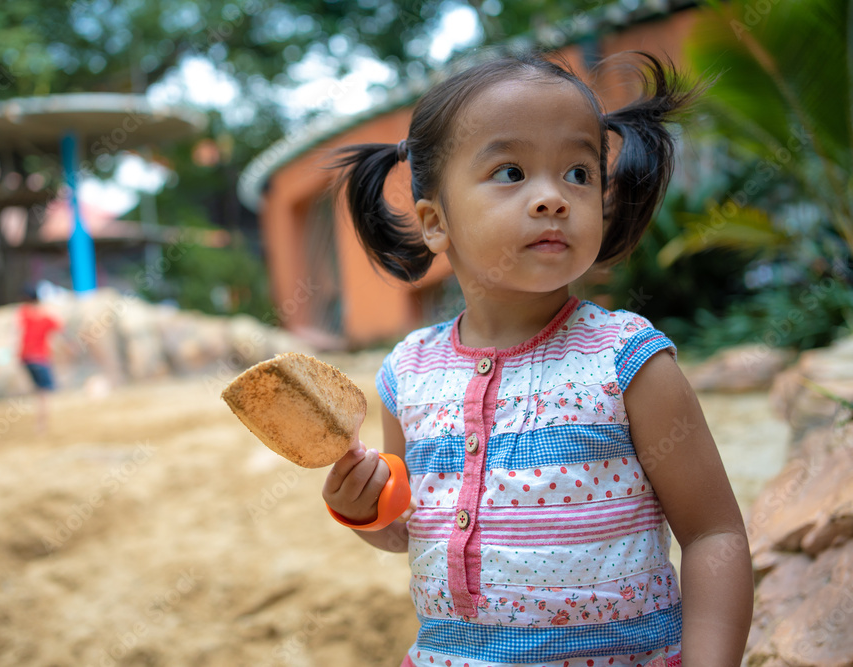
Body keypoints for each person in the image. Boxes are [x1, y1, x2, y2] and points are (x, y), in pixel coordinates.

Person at [322, 51, 753, 667]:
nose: (552, 197)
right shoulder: (408, 374)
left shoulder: (626, 362)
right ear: (435, 222)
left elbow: (714, 534)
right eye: (511, 171)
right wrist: (366, 511)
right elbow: (412, 532)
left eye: (579, 173)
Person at [17, 285, 63, 434]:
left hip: (26, 358)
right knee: (44, 393)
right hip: (40, 359)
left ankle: (39, 424)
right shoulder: (44, 317)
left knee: (37, 390)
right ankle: (41, 425)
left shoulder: (23, 313)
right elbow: (59, 325)